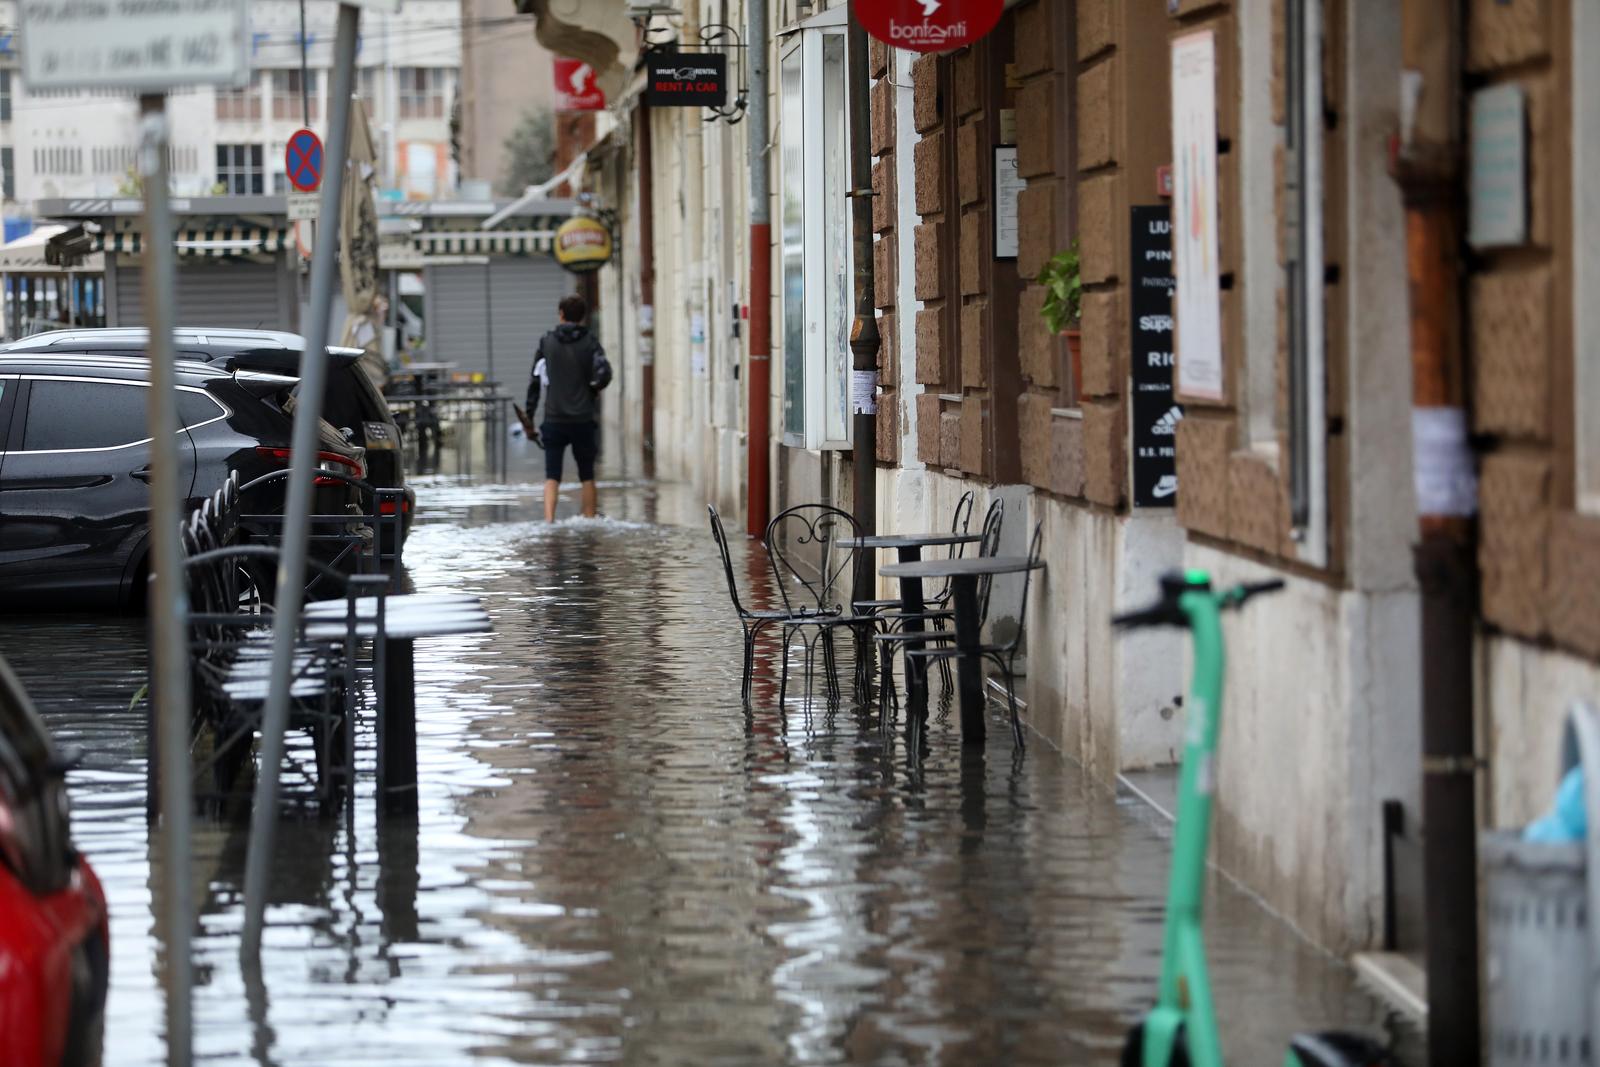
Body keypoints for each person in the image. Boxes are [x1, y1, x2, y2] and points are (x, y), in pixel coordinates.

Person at [526, 294, 612, 521]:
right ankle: (590, 520)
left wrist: (529, 417)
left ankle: (549, 521)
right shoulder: (590, 342)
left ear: (561, 314)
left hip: (554, 419)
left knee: (552, 476)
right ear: (582, 316)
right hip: (583, 418)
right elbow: (605, 373)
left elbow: (534, 381)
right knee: (587, 475)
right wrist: (592, 390)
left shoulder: (547, 342)